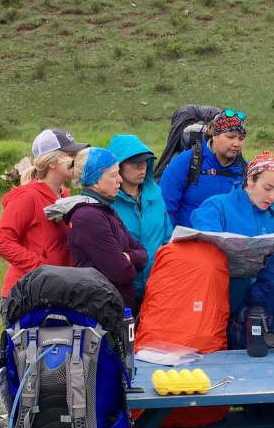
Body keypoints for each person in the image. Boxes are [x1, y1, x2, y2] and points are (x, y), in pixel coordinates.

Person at [187, 151, 274, 428]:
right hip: (213, 301)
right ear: (249, 180)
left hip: (252, 304)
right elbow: (203, 242)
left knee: (259, 368)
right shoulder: (216, 206)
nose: (272, 197)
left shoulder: (270, 216)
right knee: (212, 373)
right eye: (267, 188)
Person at [0, 128, 88, 310]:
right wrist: (43, 269)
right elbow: (1, 241)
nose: (77, 159)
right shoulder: (28, 197)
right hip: (27, 294)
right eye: (70, 154)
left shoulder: (64, 196)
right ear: (52, 162)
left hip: (57, 292)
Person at [45, 147, 148, 312]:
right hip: (101, 311)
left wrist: (129, 256)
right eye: (113, 175)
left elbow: (143, 255)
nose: (120, 180)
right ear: (95, 180)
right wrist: (130, 258)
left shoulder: (105, 210)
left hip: (115, 306)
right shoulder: (88, 218)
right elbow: (122, 272)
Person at [107, 135, 174, 306]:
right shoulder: (107, 201)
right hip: (120, 290)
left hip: (157, 287)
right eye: (134, 163)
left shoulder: (156, 194)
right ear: (117, 167)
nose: (142, 168)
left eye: (145, 162)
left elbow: (167, 238)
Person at [158, 108, 248, 228]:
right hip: (189, 242)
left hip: (229, 244)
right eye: (230, 137)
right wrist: (170, 242)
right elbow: (164, 208)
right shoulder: (185, 162)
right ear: (214, 135)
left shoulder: (246, 170)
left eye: (241, 138)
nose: (236, 143)